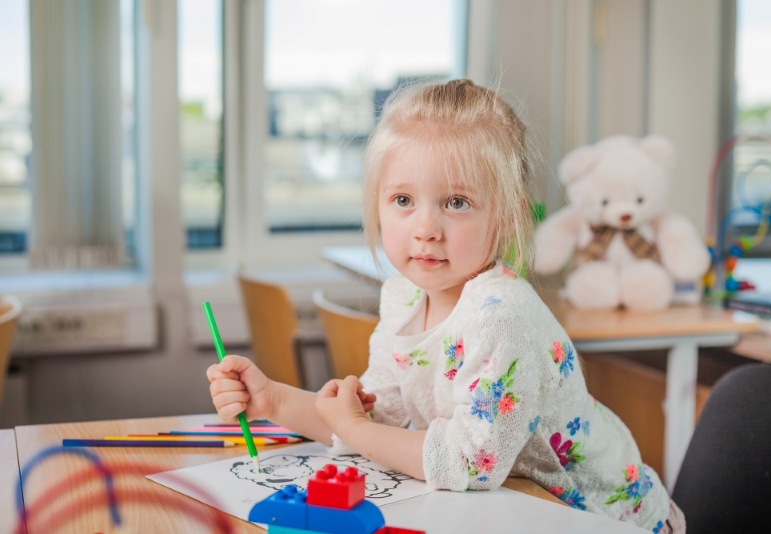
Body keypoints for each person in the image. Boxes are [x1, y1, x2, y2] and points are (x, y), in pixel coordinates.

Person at [208, 79, 684, 533]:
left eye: (456, 202)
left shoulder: (501, 314)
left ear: (506, 214)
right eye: (402, 200)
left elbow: (467, 463)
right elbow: (377, 424)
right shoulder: (404, 296)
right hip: (514, 510)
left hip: (604, 519)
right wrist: (272, 399)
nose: (426, 228)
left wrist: (353, 425)